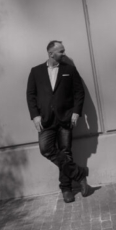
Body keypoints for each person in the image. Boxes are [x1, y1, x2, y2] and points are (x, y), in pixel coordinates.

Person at [27, 40, 91, 203]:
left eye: (63, 51)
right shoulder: (36, 71)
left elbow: (79, 92)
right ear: (50, 53)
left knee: (65, 152)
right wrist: (35, 115)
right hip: (45, 120)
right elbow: (31, 95)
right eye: (61, 51)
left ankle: (66, 189)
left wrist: (76, 112)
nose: (64, 53)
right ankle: (79, 174)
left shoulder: (69, 70)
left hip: (65, 118)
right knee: (45, 149)